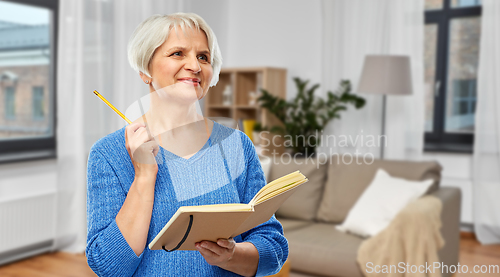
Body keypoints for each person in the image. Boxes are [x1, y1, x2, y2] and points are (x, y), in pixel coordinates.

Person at [85, 12, 288, 277]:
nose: (194, 65)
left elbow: (273, 250)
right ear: (145, 70)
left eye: (203, 57)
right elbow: (109, 267)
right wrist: (145, 176)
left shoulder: (237, 145)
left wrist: (232, 256)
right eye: (178, 54)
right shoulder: (108, 154)